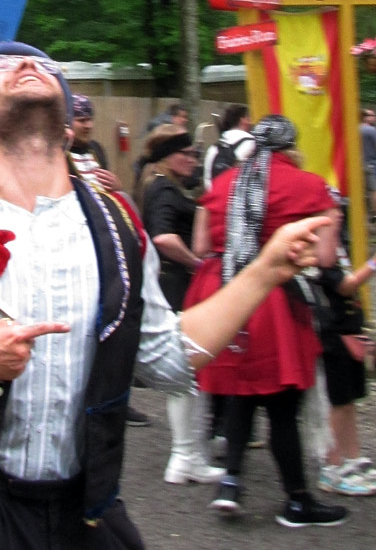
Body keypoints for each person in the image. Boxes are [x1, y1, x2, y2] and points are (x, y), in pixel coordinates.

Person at [0, 44, 335, 549]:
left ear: (68, 128)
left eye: (46, 65)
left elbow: (166, 360)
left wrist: (266, 270)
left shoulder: (121, 230)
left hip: (86, 520)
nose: (29, 64)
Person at [184, 115, 346, 528]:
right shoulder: (311, 186)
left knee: (242, 390)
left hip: (221, 294)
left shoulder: (220, 184)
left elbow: (202, 246)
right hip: (273, 301)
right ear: (291, 146)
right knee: (281, 405)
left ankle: (231, 484)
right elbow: (326, 259)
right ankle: (297, 500)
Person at [136, 124, 223, 484]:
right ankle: (185, 456)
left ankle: (190, 452)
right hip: (175, 286)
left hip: (173, 283)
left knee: (189, 371)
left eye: (194, 154)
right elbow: (163, 237)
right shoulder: (164, 190)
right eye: (186, 154)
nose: (193, 160)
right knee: (186, 371)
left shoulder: (161, 187)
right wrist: (197, 263)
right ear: (168, 157)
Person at [67, 93, 150, 427]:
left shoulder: (97, 150)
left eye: (89, 119)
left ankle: (118, 397)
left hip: (106, 241)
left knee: (116, 321)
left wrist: (116, 188)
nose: (86, 125)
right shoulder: (58, 153)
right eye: (80, 119)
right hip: (77, 243)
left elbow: (107, 189)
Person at [314, 199, 376, 496]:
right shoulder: (320, 253)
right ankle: (332, 464)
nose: (338, 216)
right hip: (333, 334)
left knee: (350, 401)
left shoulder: (339, 249)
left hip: (349, 332)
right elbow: (345, 286)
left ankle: (353, 456)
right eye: (332, 211)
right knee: (338, 403)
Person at [202, 104, 255, 190]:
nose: (251, 122)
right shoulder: (251, 143)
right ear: (243, 120)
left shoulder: (214, 148)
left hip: (215, 198)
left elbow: (207, 179)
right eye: (249, 118)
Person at [359, 108, 376, 218]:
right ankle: (374, 214)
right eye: (371, 115)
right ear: (365, 117)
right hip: (371, 164)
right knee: (374, 190)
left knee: (361, 191)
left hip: (357, 165)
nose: (374, 118)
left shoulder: (352, 129)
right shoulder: (371, 130)